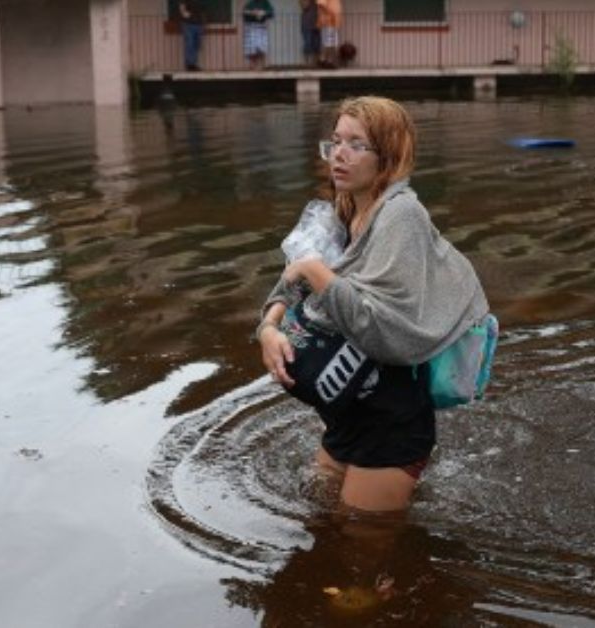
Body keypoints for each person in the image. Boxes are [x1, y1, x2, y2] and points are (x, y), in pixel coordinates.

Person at [256, 97, 489, 513]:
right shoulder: (344, 208)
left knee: (362, 540)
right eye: (335, 142)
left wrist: (316, 273)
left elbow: (385, 332)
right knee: (321, 512)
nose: (339, 155)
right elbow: (289, 279)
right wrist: (269, 329)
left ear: (389, 156)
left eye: (356, 144)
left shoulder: (402, 215)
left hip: (391, 417)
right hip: (347, 407)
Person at [242, 0, 275, 70]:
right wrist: (252, 13)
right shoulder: (250, 3)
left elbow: (271, 13)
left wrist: (263, 13)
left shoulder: (265, 3)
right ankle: (252, 66)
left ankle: (262, 66)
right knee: (252, 48)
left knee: (262, 47)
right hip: (251, 27)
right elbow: (244, 13)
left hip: (261, 27)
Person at [179, 0, 205, 71]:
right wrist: (184, 13)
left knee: (196, 45)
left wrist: (203, 23)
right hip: (188, 24)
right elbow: (182, 6)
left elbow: (203, 10)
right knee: (190, 43)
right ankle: (189, 64)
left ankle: (193, 64)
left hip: (199, 23)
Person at [316, 0, 342, 68]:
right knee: (329, 42)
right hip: (328, 21)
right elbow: (321, 4)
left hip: (333, 22)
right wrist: (331, 13)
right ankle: (326, 60)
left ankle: (327, 60)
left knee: (332, 42)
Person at [300, 0, 321, 67]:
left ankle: (315, 62)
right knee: (308, 44)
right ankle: (307, 63)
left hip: (317, 24)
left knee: (317, 44)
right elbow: (304, 6)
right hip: (307, 24)